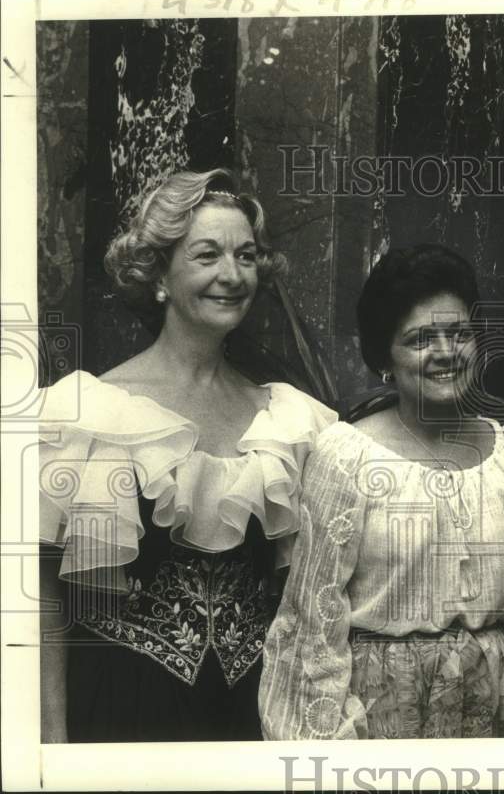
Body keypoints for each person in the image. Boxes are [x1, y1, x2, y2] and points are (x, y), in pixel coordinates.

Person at [38, 169, 338, 742]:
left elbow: (315, 601)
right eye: (207, 255)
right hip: (122, 709)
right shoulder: (83, 414)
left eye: (246, 256)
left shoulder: (293, 422)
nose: (232, 275)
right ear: (158, 275)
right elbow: (45, 604)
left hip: (254, 714)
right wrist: (51, 749)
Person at [258, 244, 504, 739]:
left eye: (458, 334)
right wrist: (326, 748)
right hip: (382, 723)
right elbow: (312, 619)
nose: (445, 352)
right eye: (420, 339)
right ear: (385, 358)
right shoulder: (346, 454)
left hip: (497, 721)